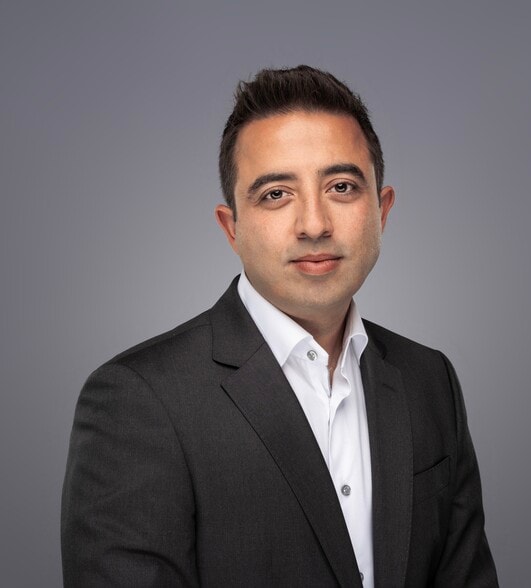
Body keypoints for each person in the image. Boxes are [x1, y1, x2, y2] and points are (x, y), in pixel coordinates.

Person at [61, 65, 499, 587]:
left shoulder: (430, 380)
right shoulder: (139, 400)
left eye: (341, 186)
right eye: (275, 194)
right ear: (232, 227)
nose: (314, 224)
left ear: (382, 211)